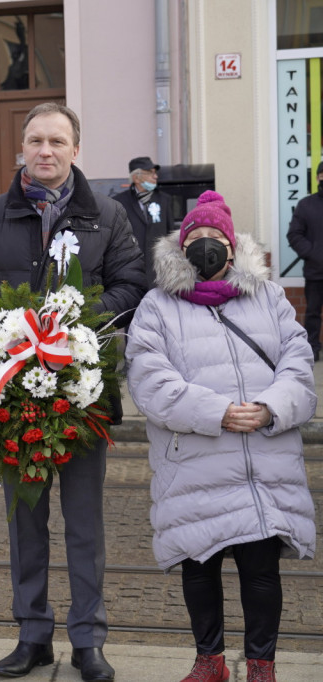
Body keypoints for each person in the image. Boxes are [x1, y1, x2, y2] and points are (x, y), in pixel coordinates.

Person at [0, 102, 145, 682]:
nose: (45, 151)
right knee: (24, 525)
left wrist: (74, 327)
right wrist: (10, 337)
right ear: (22, 149)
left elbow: (132, 287)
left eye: (57, 141)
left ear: (76, 150)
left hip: (81, 399)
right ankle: (33, 635)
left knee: (85, 526)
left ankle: (88, 640)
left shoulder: (106, 215)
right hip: (12, 400)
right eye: (35, 141)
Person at [126, 190, 317, 682]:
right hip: (195, 460)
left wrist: (272, 407)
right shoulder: (157, 306)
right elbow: (149, 380)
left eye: (216, 238)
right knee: (200, 565)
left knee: (260, 571)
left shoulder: (270, 297)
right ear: (180, 245)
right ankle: (209, 661)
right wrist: (218, 412)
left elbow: (299, 366)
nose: (207, 245)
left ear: (234, 248)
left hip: (263, 459)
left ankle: (261, 665)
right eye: (197, 237)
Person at [112, 156, 175, 288]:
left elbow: (171, 234)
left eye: (155, 172)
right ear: (136, 178)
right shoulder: (119, 202)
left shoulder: (164, 200)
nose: (155, 176)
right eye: (150, 173)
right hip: (131, 270)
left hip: (159, 271)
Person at [286, 160, 323, 362]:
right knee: (312, 313)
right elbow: (294, 235)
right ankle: (313, 348)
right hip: (315, 271)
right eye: (322, 174)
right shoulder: (306, 205)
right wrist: (314, 253)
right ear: (318, 177)